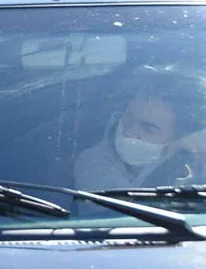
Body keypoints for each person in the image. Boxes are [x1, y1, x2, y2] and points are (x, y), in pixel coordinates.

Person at [74, 71, 206, 192]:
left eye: (148, 128)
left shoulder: (198, 156)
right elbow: (132, 209)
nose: (128, 133)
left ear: (183, 136)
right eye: (128, 117)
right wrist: (168, 163)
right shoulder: (93, 163)